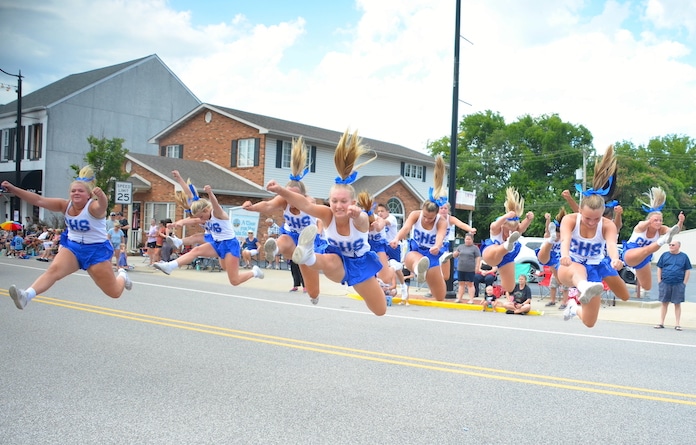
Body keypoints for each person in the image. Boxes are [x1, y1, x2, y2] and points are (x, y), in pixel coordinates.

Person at [266, 129, 386, 316]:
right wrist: (281, 190)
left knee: (380, 310)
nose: (338, 206)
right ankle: (308, 255)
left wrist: (357, 214)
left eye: (343, 202)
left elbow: (364, 222)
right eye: (334, 201)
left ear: (352, 203)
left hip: (360, 263)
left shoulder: (358, 217)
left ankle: (311, 258)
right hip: (335, 263)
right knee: (330, 259)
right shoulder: (327, 214)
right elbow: (304, 203)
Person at [3, 166, 132, 310]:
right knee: (53, 271)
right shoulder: (65, 205)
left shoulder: (93, 207)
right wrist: (14, 189)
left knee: (114, 292)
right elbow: (38, 200)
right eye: (73, 191)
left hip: (96, 251)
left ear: (88, 195)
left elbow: (102, 206)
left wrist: (101, 196)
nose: (76, 193)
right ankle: (26, 295)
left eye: (80, 191)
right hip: (73, 247)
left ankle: (122, 275)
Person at [243, 136, 327, 305]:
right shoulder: (283, 201)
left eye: (293, 195)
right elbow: (267, 205)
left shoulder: (309, 201)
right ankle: (273, 250)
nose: (290, 199)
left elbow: (317, 216)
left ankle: (313, 294)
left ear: (301, 195)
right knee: (283, 239)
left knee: (313, 292)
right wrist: (252, 208)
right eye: (288, 195)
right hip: (291, 236)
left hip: (308, 241)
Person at [558, 145, 629, 327]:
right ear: (581, 210)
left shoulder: (607, 225)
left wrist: (615, 260)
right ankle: (583, 287)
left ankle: (574, 307)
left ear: (603, 214)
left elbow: (612, 244)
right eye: (588, 218)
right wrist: (565, 255)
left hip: (598, 265)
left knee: (620, 299)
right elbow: (565, 239)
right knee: (578, 270)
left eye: (596, 219)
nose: (591, 222)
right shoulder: (570, 219)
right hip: (572, 264)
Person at [153, 185, 264, 285]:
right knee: (196, 251)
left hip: (230, 245)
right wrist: (178, 223)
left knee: (234, 281)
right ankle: (170, 266)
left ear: (206, 210)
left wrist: (210, 193)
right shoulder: (204, 217)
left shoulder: (217, 214)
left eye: (201, 216)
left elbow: (215, 205)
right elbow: (192, 215)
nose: (200, 220)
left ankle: (254, 272)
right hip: (216, 244)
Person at [389, 155, 449, 301]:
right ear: (422, 210)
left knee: (440, 296)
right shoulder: (415, 215)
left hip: (432, 254)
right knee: (415, 260)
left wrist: (437, 246)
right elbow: (406, 228)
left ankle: (423, 269)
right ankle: (418, 270)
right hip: (416, 250)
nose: (427, 220)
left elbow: (440, 236)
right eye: (425, 217)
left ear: (437, 214)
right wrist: (396, 238)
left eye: (431, 218)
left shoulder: (441, 221)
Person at [622, 186, 684, 294]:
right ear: (650, 220)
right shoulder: (641, 226)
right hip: (630, 253)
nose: (659, 223)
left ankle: (664, 239)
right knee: (647, 249)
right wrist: (651, 219)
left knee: (647, 286)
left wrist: (680, 222)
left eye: (660, 220)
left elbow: (675, 230)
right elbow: (643, 224)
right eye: (656, 220)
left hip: (644, 258)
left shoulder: (660, 229)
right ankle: (663, 241)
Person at [481, 187, 534, 294]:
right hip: (492, 254)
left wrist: (529, 219)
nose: (508, 232)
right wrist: (506, 216)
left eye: (513, 230)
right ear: (503, 226)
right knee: (496, 253)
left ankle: (508, 245)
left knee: (509, 287)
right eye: (507, 230)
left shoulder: (516, 230)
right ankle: (506, 245)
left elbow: (522, 227)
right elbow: (494, 225)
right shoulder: (497, 229)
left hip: (507, 256)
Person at [376, 202, 409, 303]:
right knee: (383, 265)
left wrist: (378, 222)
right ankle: (382, 284)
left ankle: (403, 286)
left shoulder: (391, 218)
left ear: (387, 212)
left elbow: (385, 223)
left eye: (382, 211)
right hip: (383, 245)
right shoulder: (378, 219)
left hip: (394, 245)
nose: (380, 213)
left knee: (397, 269)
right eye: (378, 212)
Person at [655, 240, 691, 331]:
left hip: (678, 283)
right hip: (665, 283)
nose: (671, 246)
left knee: (677, 304)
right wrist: (659, 281)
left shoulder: (684, 257)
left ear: (678, 246)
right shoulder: (665, 255)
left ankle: (677, 324)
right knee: (664, 303)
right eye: (670, 245)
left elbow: (687, 270)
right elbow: (659, 268)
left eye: (673, 245)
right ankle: (661, 322)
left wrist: (684, 283)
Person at [436, 202, 476, 283]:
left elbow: (460, 224)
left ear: (448, 210)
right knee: (434, 269)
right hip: (433, 244)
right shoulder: (434, 218)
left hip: (444, 245)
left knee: (446, 276)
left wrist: (470, 229)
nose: (443, 210)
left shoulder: (449, 219)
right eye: (441, 208)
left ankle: (443, 258)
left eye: (445, 208)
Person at [453, 233, 480, 304]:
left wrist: (477, 266)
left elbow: (478, 257)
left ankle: (471, 299)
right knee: (461, 283)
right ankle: (459, 298)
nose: (467, 241)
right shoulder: (460, 247)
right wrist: (455, 254)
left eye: (469, 239)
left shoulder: (475, 248)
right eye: (466, 239)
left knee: (470, 284)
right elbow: (455, 255)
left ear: (472, 240)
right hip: (461, 267)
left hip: (470, 268)